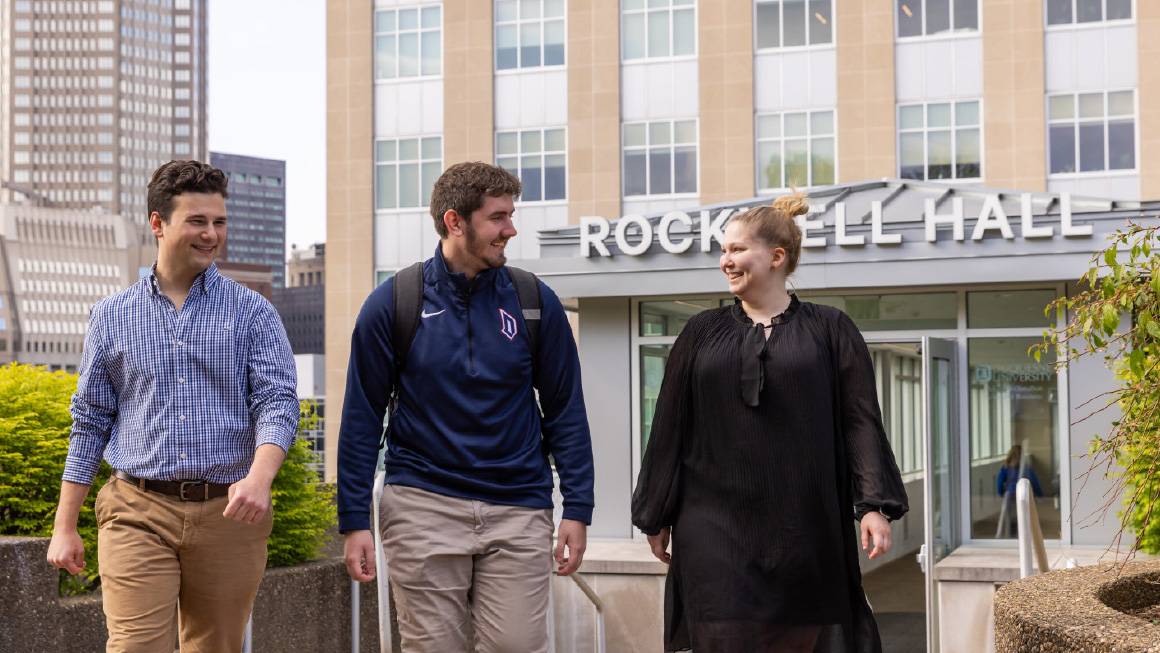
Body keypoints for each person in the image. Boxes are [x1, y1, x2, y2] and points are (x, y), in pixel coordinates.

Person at [631, 194, 909, 653]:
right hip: (712, 525)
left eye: (737, 250)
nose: (726, 261)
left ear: (776, 257)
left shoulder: (831, 330)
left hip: (803, 528)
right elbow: (669, 427)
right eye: (723, 251)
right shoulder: (700, 333)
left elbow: (860, 421)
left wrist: (873, 504)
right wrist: (655, 513)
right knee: (722, 637)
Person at [338, 161, 595, 653]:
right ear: (455, 222)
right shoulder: (394, 303)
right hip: (422, 504)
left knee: (517, 645)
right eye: (498, 217)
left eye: (511, 215)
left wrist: (578, 507)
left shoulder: (534, 302)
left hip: (518, 506)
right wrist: (354, 521)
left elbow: (565, 410)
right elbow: (361, 420)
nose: (510, 229)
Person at [46, 160, 300, 653]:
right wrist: (65, 526)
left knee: (216, 647)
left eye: (219, 222)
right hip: (136, 508)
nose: (211, 234)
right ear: (158, 223)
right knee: (135, 645)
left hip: (229, 512)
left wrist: (260, 477)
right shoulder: (112, 316)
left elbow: (278, 403)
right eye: (198, 221)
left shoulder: (252, 311)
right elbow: (90, 421)